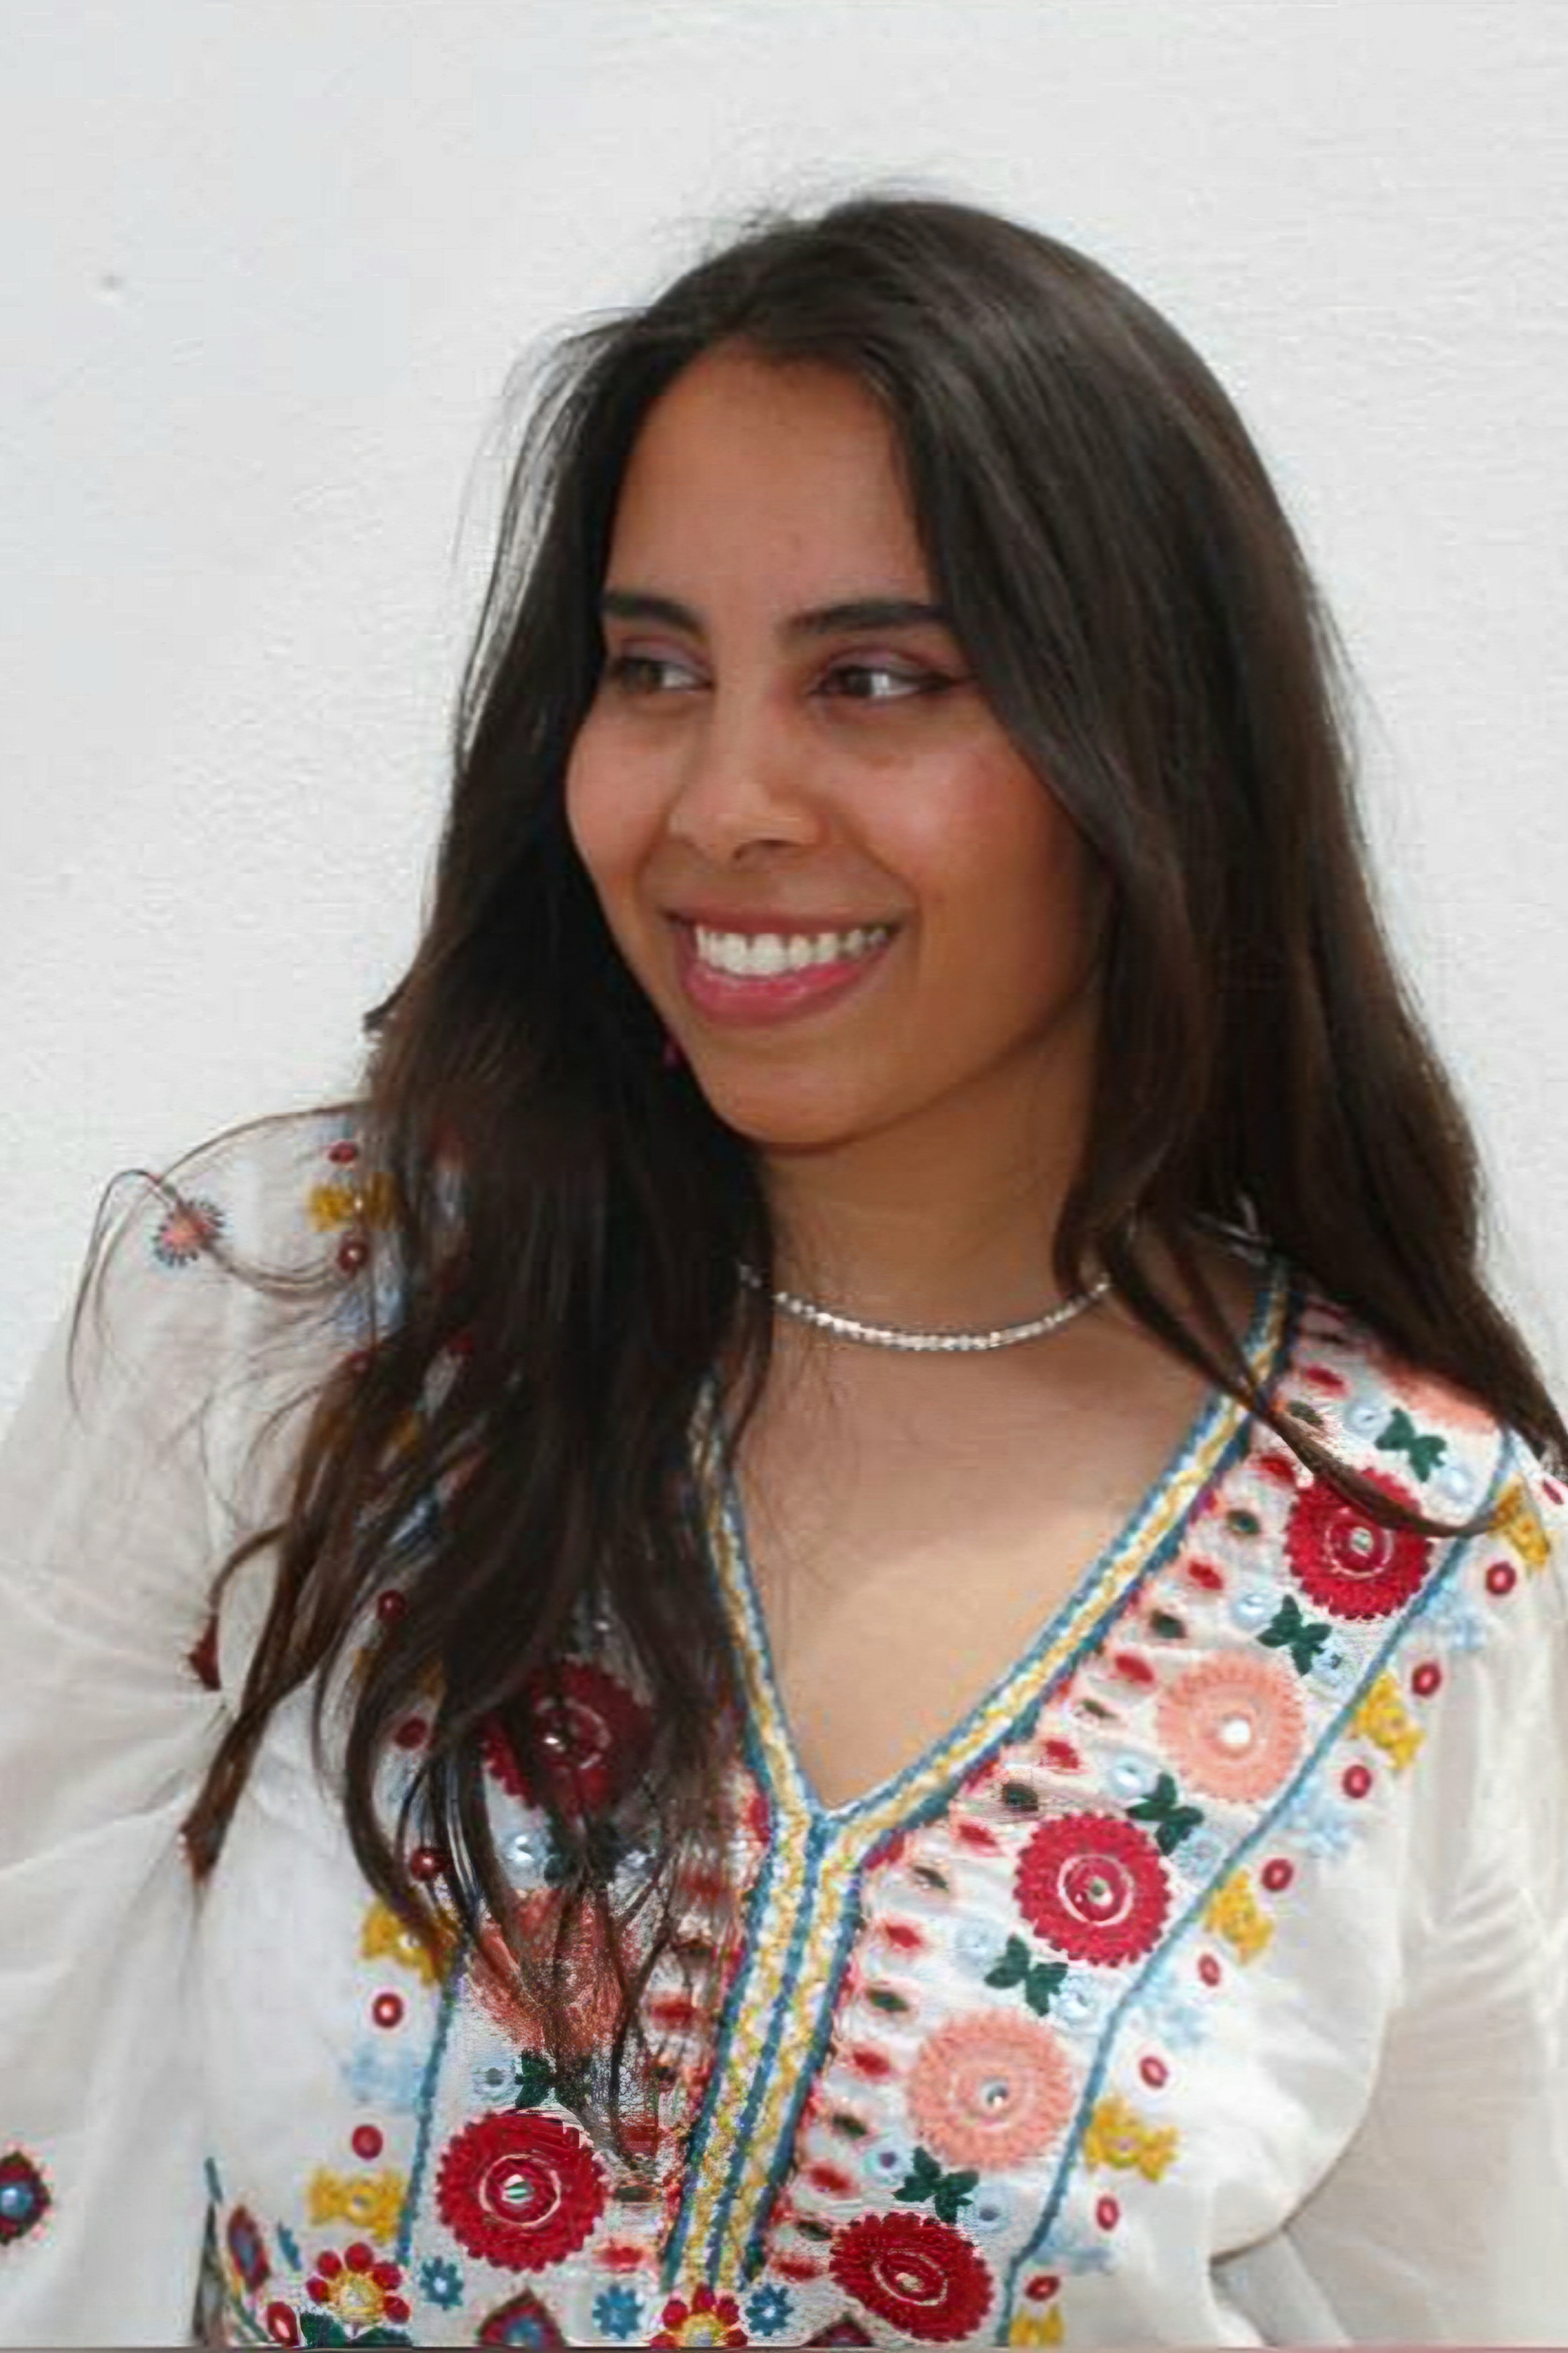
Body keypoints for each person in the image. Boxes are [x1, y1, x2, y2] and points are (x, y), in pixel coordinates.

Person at [1, 195, 1564, 2352]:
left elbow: (1449, 2300)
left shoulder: (1396, 1548)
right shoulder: (300, 1314)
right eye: (653, 671)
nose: (720, 799)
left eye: (876, 680)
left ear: (1149, 749)